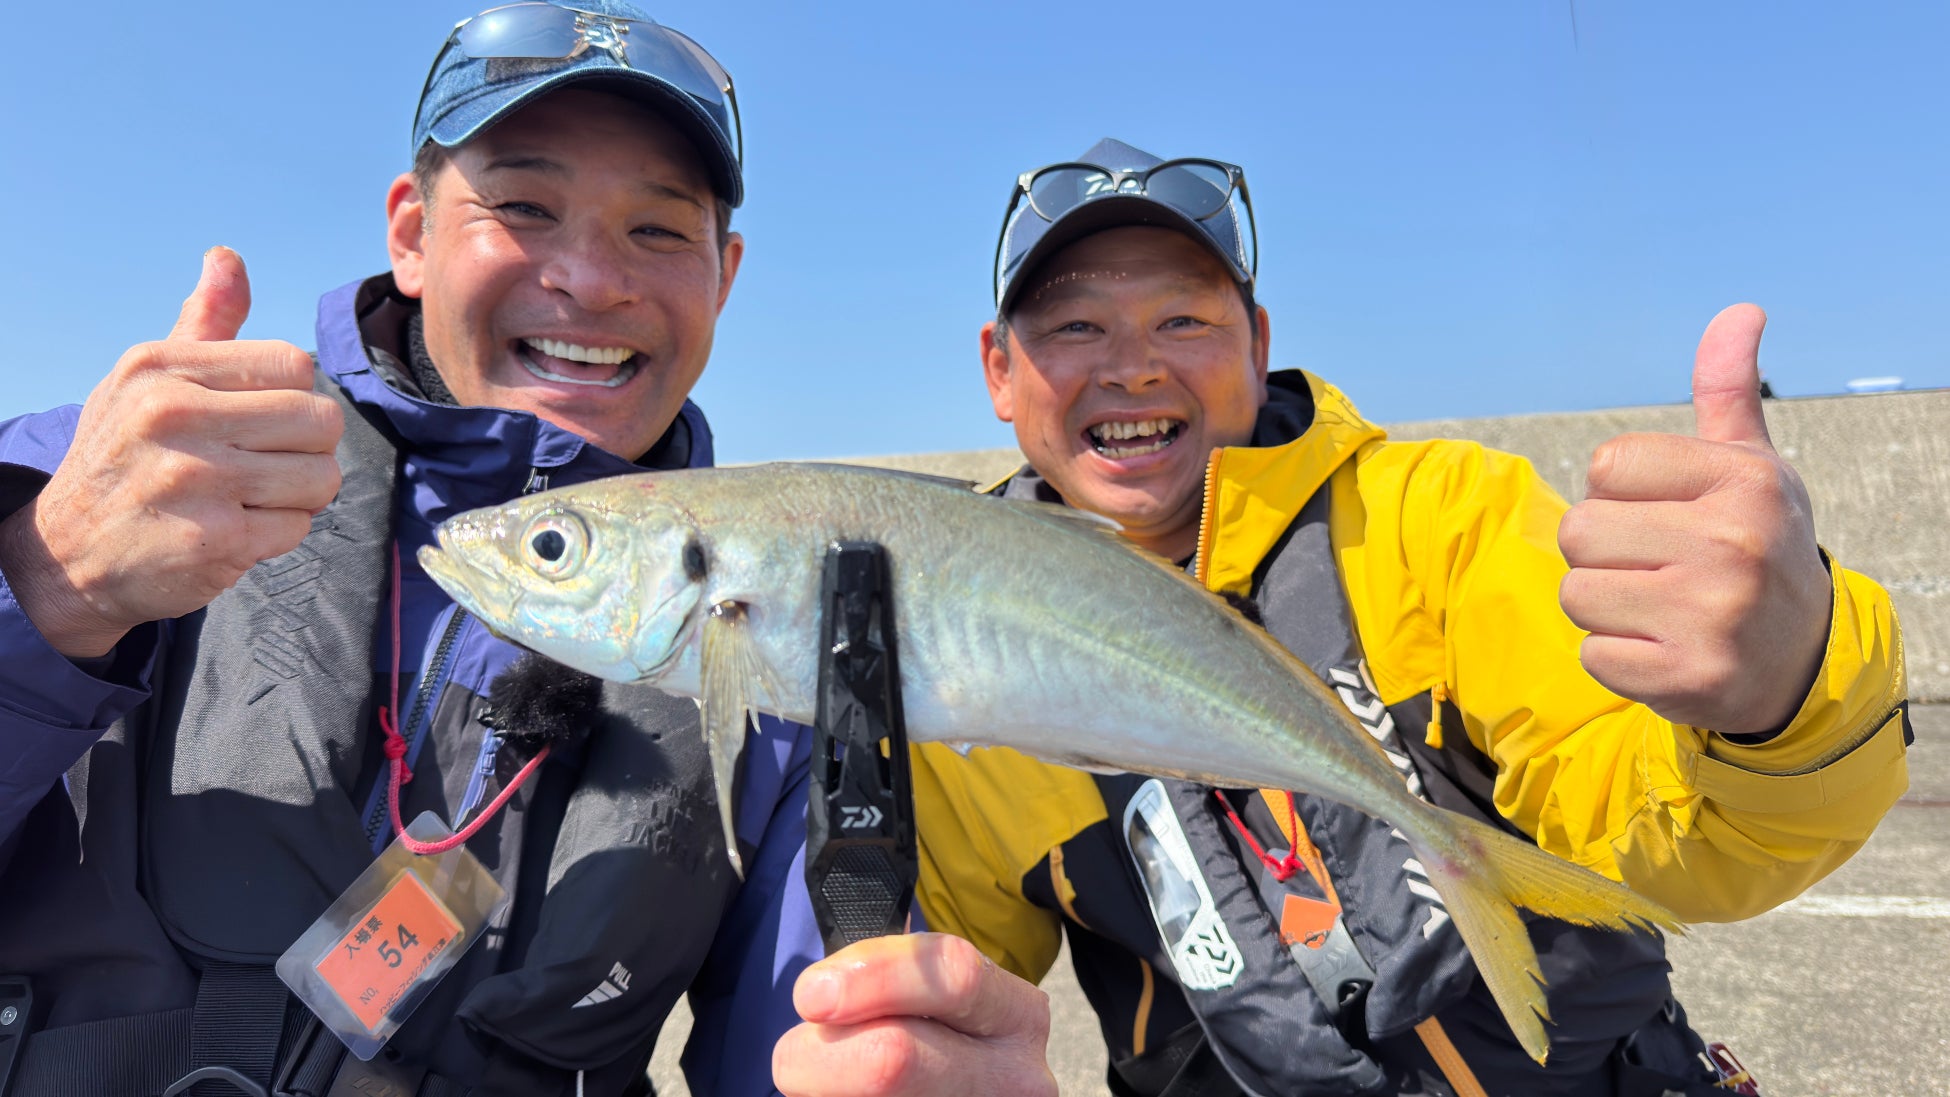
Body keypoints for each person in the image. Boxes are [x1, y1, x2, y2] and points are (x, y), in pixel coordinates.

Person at [773, 140, 1910, 1096]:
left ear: (1258, 343)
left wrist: (1786, 694)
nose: (1129, 367)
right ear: (999, 372)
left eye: (1182, 318)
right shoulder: (945, 652)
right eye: (1072, 329)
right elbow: (955, 992)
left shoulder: (1440, 514)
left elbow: (1691, 840)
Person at [0, 4, 824, 1094]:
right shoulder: (108, 471)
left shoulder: (789, 633)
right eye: (524, 205)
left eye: (658, 230)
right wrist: (50, 582)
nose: (588, 278)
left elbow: (798, 1041)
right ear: (411, 232)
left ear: (723, 276)